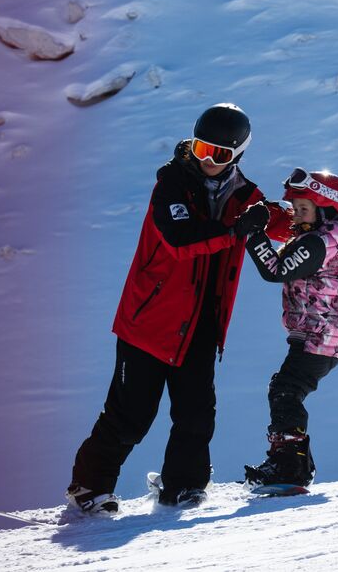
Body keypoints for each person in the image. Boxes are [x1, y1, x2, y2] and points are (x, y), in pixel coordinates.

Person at [67, 103, 270, 512]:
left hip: (201, 325)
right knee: (131, 414)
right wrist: (234, 230)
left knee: (196, 415)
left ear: (239, 156)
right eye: (201, 148)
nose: (208, 161)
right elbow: (180, 239)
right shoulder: (172, 184)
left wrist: (335, 218)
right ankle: (89, 487)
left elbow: (281, 221)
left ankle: (184, 486)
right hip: (150, 320)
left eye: (221, 154)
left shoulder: (246, 196)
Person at [242, 168, 338, 489]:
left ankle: (290, 468)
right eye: (296, 208)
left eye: (304, 209)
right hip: (326, 336)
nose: (297, 215)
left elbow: (275, 269)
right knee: (285, 389)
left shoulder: (319, 244)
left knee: (286, 391)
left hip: (320, 336)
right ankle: (290, 462)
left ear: (325, 211)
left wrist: (252, 234)